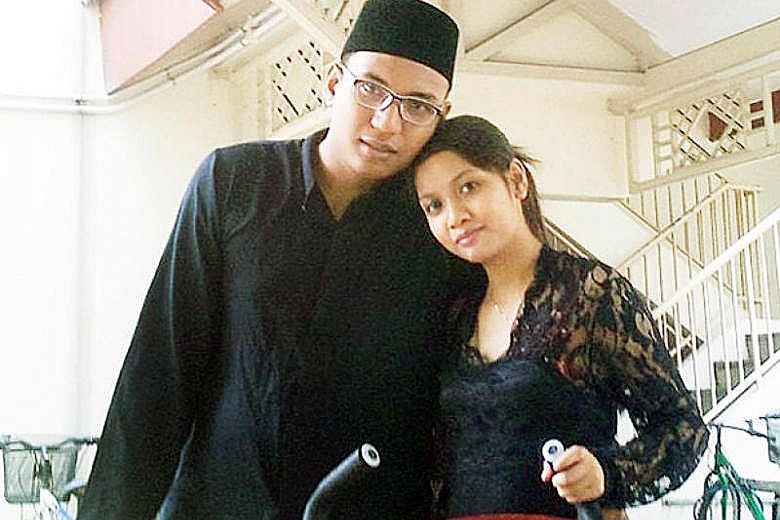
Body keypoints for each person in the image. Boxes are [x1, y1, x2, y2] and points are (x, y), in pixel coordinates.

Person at [79, 2, 463, 519]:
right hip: (215, 507)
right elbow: (159, 370)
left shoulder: (441, 229)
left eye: (418, 105)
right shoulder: (234, 182)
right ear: (334, 82)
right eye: (370, 88)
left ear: (441, 116)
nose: (387, 122)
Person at [411, 115, 710, 520]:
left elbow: (682, 425)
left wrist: (606, 473)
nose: (454, 215)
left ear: (516, 180)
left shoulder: (591, 293)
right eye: (434, 205)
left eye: (469, 187)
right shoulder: (456, 314)